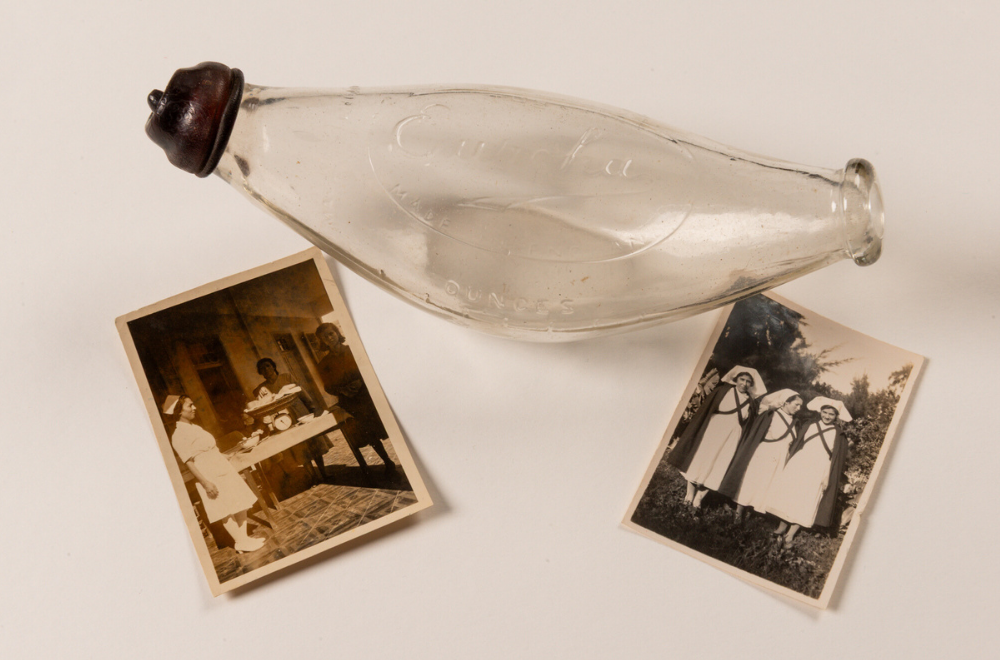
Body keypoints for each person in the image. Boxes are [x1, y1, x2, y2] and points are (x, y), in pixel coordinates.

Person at [163, 395, 265, 553]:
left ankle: (243, 539)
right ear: (179, 412)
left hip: (221, 467)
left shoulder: (195, 427)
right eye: (190, 406)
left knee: (240, 500)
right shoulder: (178, 435)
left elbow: (210, 448)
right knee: (224, 509)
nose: (194, 408)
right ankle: (239, 542)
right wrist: (205, 483)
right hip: (208, 473)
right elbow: (189, 461)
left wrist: (225, 456)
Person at [667, 366, 766, 510]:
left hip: (732, 437)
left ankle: (699, 500)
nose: (744, 384)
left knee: (720, 465)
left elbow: (748, 425)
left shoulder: (751, 403)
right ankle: (689, 495)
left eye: (748, 382)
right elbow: (707, 410)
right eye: (742, 379)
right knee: (701, 460)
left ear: (752, 385)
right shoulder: (722, 391)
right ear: (735, 379)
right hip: (714, 430)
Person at [765, 396, 851, 550]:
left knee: (807, 499)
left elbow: (835, 459)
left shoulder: (838, 434)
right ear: (820, 411)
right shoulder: (809, 425)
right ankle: (781, 527)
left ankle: (791, 534)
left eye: (831, 414)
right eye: (825, 412)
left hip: (819, 468)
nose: (827, 416)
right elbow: (797, 443)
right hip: (800, 462)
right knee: (791, 493)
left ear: (836, 416)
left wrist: (826, 477)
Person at [315, 323, 398, 477]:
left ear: (337, 333)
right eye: (325, 337)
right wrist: (342, 390)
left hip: (368, 394)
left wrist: (361, 381)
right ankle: (388, 461)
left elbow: (370, 368)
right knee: (370, 434)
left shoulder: (353, 351)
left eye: (331, 333)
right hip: (351, 402)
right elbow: (328, 386)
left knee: (389, 425)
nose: (329, 338)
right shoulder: (324, 364)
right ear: (322, 341)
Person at [718, 389, 802, 523]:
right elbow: (756, 433)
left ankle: (752, 512)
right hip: (764, 454)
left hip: (780, 457)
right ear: (786, 402)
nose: (799, 408)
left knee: (766, 484)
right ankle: (739, 512)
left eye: (800, 406)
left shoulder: (796, 422)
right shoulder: (771, 415)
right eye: (796, 404)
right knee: (751, 480)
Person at [252, 357, 331, 480]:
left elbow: (301, 391)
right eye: (262, 368)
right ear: (260, 373)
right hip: (283, 419)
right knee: (299, 447)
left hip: (299, 412)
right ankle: (313, 476)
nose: (266, 369)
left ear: (273, 366)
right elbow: (261, 405)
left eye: (267, 366)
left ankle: (323, 472)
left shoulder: (287, 377)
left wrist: (312, 407)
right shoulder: (261, 389)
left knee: (312, 442)